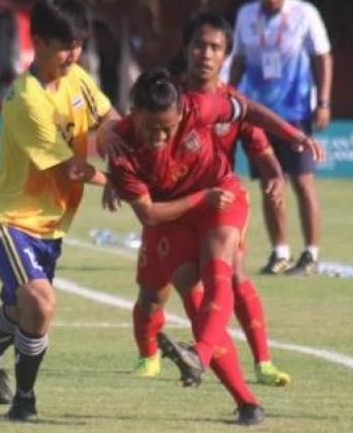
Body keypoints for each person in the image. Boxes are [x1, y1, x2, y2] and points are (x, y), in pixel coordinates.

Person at [106, 68, 322, 425]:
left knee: (220, 272)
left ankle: (201, 355)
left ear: (181, 113)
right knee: (192, 300)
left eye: (168, 129)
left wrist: (292, 134)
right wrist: (201, 198)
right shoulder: (121, 147)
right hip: (172, 216)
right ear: (134, 115)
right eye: (150, 128)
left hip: (222, 196)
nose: (159, 137)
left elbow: (248, 109)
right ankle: (247, 402)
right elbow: (148, 214)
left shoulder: (199, 107)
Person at [0, 0, 124, 422]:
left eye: (77, 44)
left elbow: (110, 118)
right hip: (6, 220)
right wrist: (117, 182)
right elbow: (68, 170)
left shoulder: (77, 78)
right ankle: (25, 401)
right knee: (41, 303)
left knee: (21, 311)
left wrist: (119, 140)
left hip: (49, 227)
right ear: (36, 42)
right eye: (63, 46)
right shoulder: (26, 100)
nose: (72, 54)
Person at [130, 13, 291, 388]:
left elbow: (260, 148)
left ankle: (258, 362)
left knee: (231, 274)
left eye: (215, 47)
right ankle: (148, 353)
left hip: (217, 205)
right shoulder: (167, 95)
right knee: (153, 294)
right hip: (168, 207)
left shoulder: (233, 104)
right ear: (186, 49)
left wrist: (275, 176)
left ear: (226, 56)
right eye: (199, 45)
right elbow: (133, 130)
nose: (205, 53)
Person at [229, 0, 333, 276]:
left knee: (302, 182)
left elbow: (322, 56)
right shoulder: (246, 14)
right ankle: (280, 252)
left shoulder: (305, 13)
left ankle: (311, 254)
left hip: (297, 113)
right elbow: (239, 59)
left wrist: (324, 102)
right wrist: (227, 96)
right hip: (259, 113)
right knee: (270, 184)